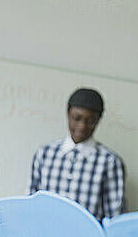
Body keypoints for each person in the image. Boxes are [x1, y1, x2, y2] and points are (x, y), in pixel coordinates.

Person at [28, 87, 125, 221]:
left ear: (98, 120)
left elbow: (114, 216)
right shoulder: (44, 153)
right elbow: (30, 203)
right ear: (68, 114)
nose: (82, 126)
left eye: (90, 120)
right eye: (76, 118)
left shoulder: (109, 162)